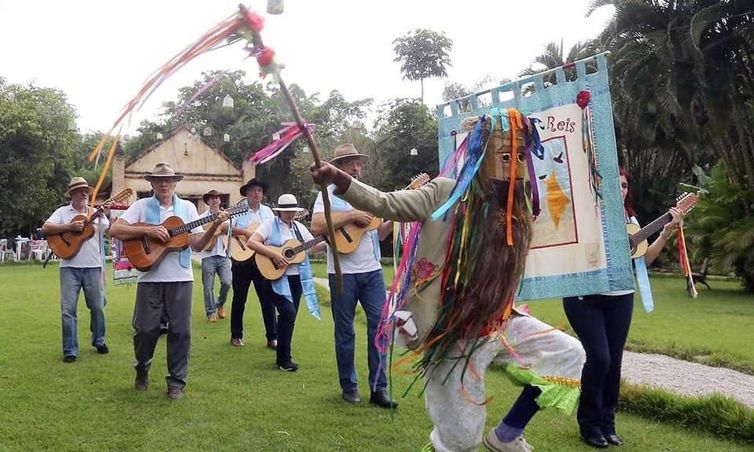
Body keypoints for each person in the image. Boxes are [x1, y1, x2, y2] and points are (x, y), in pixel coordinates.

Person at [311, 113, 585, 452]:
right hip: (451, 332)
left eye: (519, 156)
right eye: (504, 156)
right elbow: (387, 203)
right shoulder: (444, 192)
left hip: (498, 323)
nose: (512, 164)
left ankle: (507, 436)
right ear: (481, 154)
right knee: (461, 440)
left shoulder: (516, 206)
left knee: (568, 353)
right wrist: (340, 180)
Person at [562, 168, 684, 448]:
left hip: (621, 296)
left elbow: (645, 260)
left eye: (625, 186)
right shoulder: (585, 217)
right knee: (600, 358)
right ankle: (589, 424)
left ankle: (607, 424)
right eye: (614, 185)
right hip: (585, 297)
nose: (621, 190)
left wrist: (665, 232)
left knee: (614, 362)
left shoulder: (632, 222)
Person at [110, 162, 229, 400]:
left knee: (181, 332)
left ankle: (176, 382)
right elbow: (115, 229)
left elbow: (197, 244)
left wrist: (214, 225)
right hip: (149, 278)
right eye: (159, 180)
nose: (164, 184)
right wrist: (149, 231)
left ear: (175, 183)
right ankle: (142, 367)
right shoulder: (141, 206)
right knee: (144, 330)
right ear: (152, 183)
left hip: (181, 278)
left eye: (168, 180)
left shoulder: (187, 208)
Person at [310, 143, 396, 409]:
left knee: (380, 328)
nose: (357, 168)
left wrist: (396, 218)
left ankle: (378, 388)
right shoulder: (327, 193)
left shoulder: (369, 193)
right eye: (350, 164)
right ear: (338, 167)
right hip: (342, 273)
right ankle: (349, 386)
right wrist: (351, 215)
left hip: (372, 272)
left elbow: (378, 233)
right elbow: (316, 226)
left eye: (358, 163)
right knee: (345, 332)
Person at [246, 194, 325, 371]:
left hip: (296, 278)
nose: (290, 214)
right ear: (280, 211)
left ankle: (283, 359)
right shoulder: (269, 224)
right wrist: (275, 255)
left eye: (292, 211)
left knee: (289, 318)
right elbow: (252, 242)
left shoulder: (298, 228)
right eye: (286, 211)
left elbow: (311, 248)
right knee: (288, 312)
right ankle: (284, 358)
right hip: (274, 277)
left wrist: (328, 241)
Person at [42, 177, 110, 363]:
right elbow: (46, 227)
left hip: (93, 267)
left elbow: (108, 229)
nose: (84, 194)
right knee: (68, 310)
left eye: (86, 191)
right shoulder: (63, 212)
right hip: (69, 268)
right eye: (80, 191)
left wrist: (102, 214)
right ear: (72, 194)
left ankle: (99, 339)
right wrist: (69, 226)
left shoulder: (96, 213)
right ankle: (70, 349)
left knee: (97, 307)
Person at [228, 178, 278, 348]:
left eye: (259, 190)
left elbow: (273, 233)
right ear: (247, 193)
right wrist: (247, 233)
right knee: (239, 299)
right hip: (241, 261)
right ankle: (236, 335)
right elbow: (224, 229)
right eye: (254, 190)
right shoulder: (237, 211)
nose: (257, 193)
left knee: (267, 300)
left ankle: (272, 337)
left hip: (261, 261)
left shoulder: (268, 213)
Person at [198, 189, 232, 323]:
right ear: (208, 201)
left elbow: (227, 230)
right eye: (212, 198)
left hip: (223, 255)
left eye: (217, 198)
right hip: (208, 255)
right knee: (208, 286)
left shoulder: (226, 216)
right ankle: (211, 312)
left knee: (227, 282)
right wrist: (214, 230)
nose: (215, 200)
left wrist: (219, 228)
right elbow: (200, 235)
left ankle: (220, 304)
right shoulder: (201, 218)